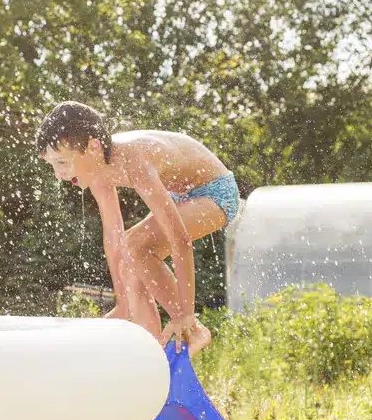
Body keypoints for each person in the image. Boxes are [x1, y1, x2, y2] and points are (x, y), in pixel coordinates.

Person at [36, 101, 241, 356]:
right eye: (52, 165)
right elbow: (113, 234)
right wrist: (123, 304)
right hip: (181, 196)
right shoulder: (96, 169)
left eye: (62, 162)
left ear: (93, 146)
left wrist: (185, 313)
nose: (58, 174)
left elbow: (180, 239)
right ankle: (153, 355)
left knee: (135, 244)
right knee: (128, 263)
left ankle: (193, 329)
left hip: (216, 192)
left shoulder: (134, 160)